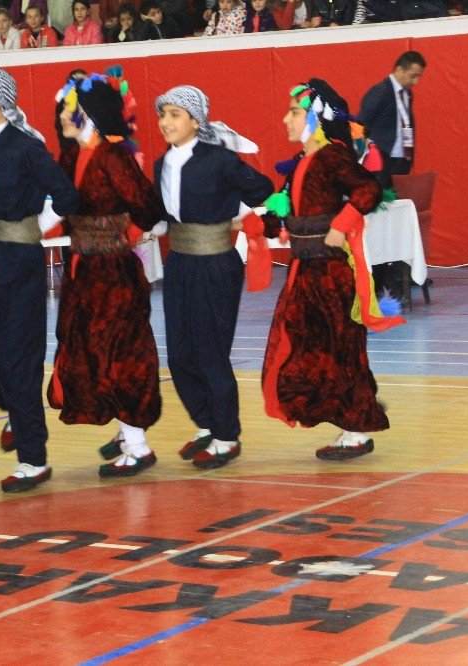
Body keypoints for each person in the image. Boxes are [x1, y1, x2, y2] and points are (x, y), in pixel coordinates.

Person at [254, 79, 403, 461]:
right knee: (310, 349)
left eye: (294, 112)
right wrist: (254, 223)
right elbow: (281, 210)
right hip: (305, 273)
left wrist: (342, 224)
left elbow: (367, 190)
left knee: (341, 348)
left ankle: (355, 428)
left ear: (316, 119)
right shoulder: (303, 162)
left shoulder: (333, 157)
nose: (286, 119)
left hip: (330, 275)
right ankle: (348, 416)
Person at [0, 67, 80, 491]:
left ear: (4, 103)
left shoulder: (26, 148)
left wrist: (34, 226)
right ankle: (17, 413)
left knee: (19, 362)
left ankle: (34, 459)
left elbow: (66, 193)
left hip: (21, 264)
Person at [48, 69, 165, 477]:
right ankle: (125, 433)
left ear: (90, 113)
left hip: (114, 273)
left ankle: (138, 445)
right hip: (82, 272)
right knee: (92, 352)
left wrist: (122, 234)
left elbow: (149, 207)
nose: (62, 115)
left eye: (69, 109)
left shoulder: (113, 156)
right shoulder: (69, 156)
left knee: (121, 353)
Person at [153, 85, 272, 469]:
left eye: (174, 114)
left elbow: (262, 188)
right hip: (180, 264)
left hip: (215, 265)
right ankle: (206, 423)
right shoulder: (162, 163)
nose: (166, 122)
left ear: (195, 120)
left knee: (210, 352)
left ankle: (227, 435)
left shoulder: (219, 160)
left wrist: (238, 217)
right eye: (163, 114)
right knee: (181, 353)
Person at [358, 51, 425, 188]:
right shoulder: (380, 91)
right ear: (399, 69)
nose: (416, 82)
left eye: (418, 77)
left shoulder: (408, 94)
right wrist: (367, 153)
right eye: (413, 76)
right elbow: (360, 123)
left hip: (403, 160)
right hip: (382, 159)